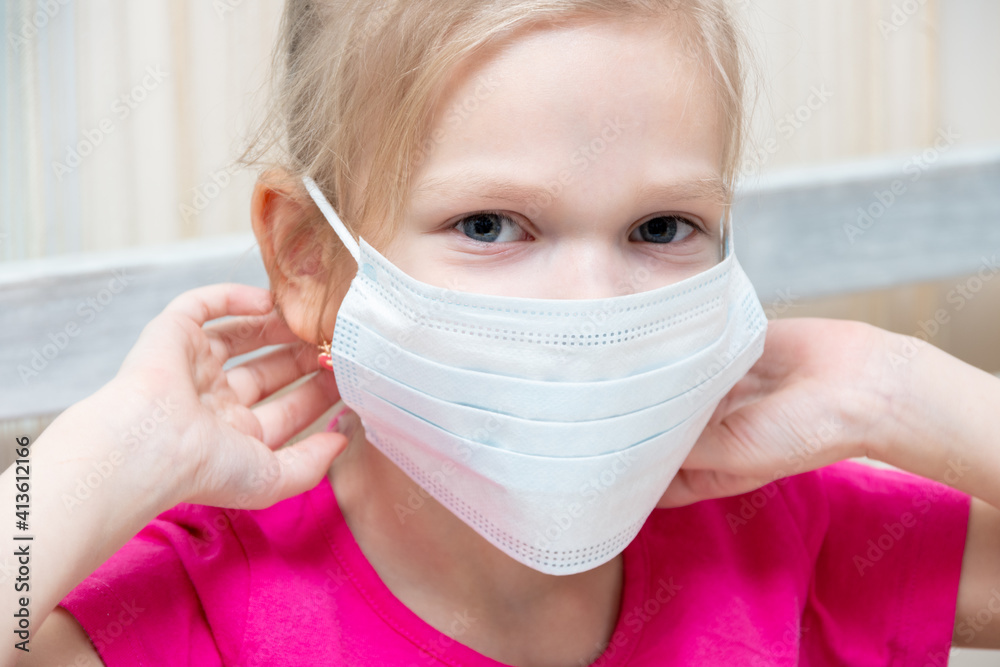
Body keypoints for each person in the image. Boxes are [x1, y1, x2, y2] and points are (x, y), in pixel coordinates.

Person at [7, 1, 1000, 665]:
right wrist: (99, 460)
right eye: (489, 225)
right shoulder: (197, 597)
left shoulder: (776, 529)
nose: (591, 308)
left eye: (662, 228)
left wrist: (892, 387)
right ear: (312, 256)